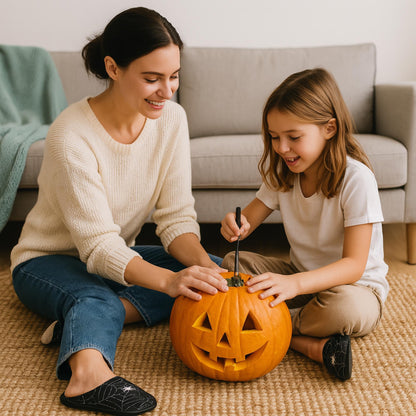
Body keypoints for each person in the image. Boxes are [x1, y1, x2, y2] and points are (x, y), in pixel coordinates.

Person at [11, 7, 228, 416]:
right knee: (102, 294)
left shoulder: (172, 120)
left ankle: (83, 322)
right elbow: (97, 248)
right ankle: (86, 378)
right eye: (152, 78)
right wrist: (167, 282)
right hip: (48, 261)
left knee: (209, 273)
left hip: (115, 256)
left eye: (174, 76)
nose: (168, 91)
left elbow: (176, 218)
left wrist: (201, 268)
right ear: (113, 67)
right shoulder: (70, 134)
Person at [220, 68, 389, 381]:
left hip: (354, 290)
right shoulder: (285, 173)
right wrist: (236, 223)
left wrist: (295, 285)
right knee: (232, 262)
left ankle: (268, 328)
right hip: (300, 280)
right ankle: (307, 342)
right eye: (274, 138)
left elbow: (354, 265)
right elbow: (250, 218)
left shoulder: (356, 179)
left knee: (344, 310)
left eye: (293, 138)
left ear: (329, 128)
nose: (282, 148)